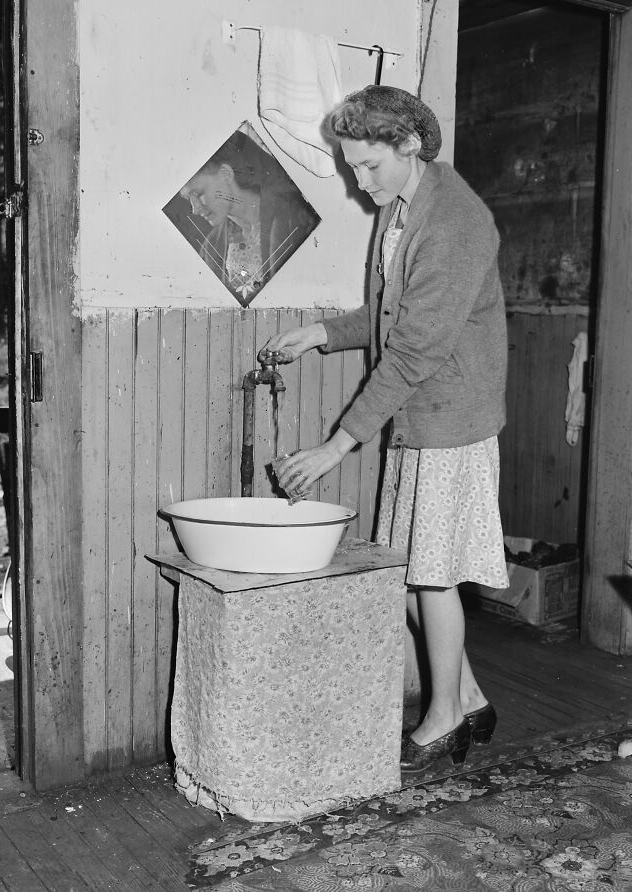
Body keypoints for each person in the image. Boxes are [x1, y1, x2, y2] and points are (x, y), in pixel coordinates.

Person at [260, 85, 509, 774]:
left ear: (410, 146)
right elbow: (387, 315)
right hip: (417, 414)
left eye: (369, 166)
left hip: (452, 418)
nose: (358, 181)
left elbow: (416, 348)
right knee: (406, 574)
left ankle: (444, 715)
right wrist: (324, 333)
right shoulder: (401, 207)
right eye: (349, 166)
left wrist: (339, 442)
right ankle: (469, 696)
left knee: (430, 577)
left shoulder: (455, 222)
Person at [178, 129, 318, 305]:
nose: (196, 209)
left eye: (197, 194)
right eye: (189, 200)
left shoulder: (296, 218)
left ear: (226, 174)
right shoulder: (210, 250)